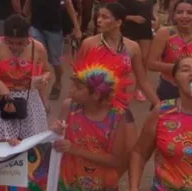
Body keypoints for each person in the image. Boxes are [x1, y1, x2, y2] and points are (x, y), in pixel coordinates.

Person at [54, 41, 137, 191]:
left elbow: (116, 160)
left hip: (103, 185)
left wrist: (75, 149)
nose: (71, 90)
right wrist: (55, 132)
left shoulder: (117, 117)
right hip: (69, 183)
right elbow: (57, 141)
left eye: (77, 87)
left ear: (96, 94)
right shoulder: (69, 106)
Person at [0, 15, 51, 142]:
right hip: (3, 101)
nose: (14, 47)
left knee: (32, 144)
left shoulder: (38, 47)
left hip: (30, 99)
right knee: (1, 142)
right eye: (10, 42)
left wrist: (44, 78)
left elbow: (47, 71)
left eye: (20, 43)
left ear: (28, 36)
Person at [128, 56, 192, 191]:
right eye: (185, 69)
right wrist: (134, 188)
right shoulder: (162, 112)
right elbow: (139, 153)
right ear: (175, 81)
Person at [78, 3, 160, 108]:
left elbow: (143, 81)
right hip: (93, 104)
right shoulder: (89, 44)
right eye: (98, 16)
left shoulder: (132, 47)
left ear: (118, 22)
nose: (98, 20)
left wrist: (157, 104)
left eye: (105, 17)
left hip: (119, 104)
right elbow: (77, 77)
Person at [24, 0, 81, 100]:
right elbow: (28, 3)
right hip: (35, 27)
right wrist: (21, 19)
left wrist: (77, 27)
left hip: (54, 28)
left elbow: (68, 5)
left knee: (55, 61)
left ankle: (58, 82)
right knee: (36, 58)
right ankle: (39, 88)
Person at [148, 0, 192, 100]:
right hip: (169, 89)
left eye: (190, 13)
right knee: (164, 115)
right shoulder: (165, 33)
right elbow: (151, 64)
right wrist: (181, 68)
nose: (184, 16)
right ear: (174, 15)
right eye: (180, 12)